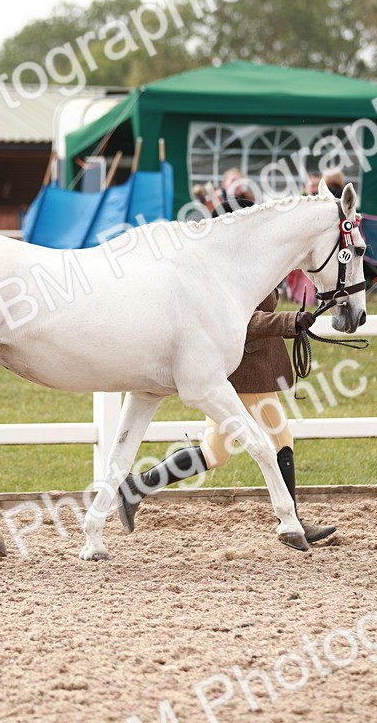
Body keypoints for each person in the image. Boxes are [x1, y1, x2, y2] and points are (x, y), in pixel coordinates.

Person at [116, 192, 337, 546]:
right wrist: (290, 321)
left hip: (247, 365)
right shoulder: (225, 267)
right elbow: (242, 321)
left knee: (215, 451)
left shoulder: (247, 260)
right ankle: (291, 520)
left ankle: (137, 487)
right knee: (280, 437)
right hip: (244, 365)